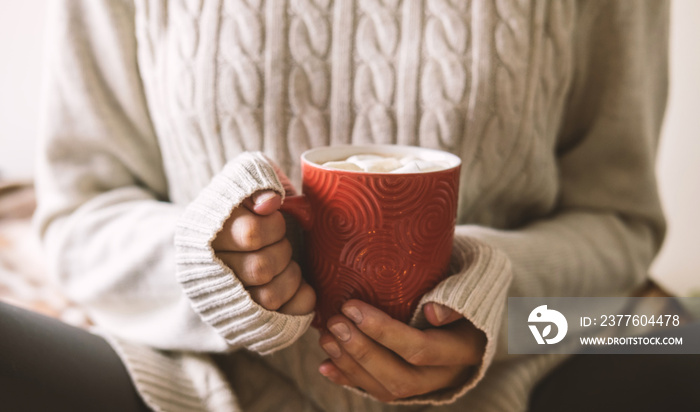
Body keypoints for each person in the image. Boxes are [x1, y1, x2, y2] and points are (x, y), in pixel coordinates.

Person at [25, 0, 673, 411]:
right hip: (186, 381)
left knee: (672, 333)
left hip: (521, 376)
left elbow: (620, 223)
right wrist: (206, 270)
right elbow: (79, 218)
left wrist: (494, 310)